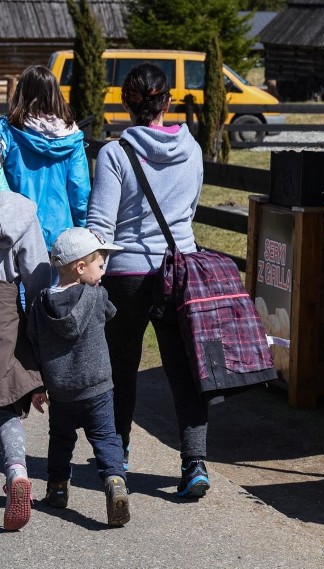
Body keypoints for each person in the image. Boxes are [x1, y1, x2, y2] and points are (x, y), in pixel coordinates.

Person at [87, 63, 210, 498]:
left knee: (120, 368)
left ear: (126, 104)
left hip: (126, 274)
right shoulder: (192, 151)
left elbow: (101, 226)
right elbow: (189, 213)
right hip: (178, 270)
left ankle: (116, 457)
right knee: (184, 367)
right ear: (168, 102)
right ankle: (194, 463)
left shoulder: (115, 154)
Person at [27, 227, 130, 527]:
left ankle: (57, 489)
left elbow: (33, 342)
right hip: (98, 387)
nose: (103, 273)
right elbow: (110, 313)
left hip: (60, 393)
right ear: (81, 267)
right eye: (100, 265)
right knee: (106, 438)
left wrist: (37, 385)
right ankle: (115, 482)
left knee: (60, 439)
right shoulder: (97, 296)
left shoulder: (39, 306)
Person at [0, 192, 51, 531]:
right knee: (4, 403)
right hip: (3, 311)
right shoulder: (16, 209)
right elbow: (37, 275)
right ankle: (17, 470)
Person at [0, 65, 90, 250]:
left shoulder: (7, 131)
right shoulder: (72, 137)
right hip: (60, 234)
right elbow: (79, 190)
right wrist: (80, 226)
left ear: (21, 93)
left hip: (15, 232)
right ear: (56, 94)